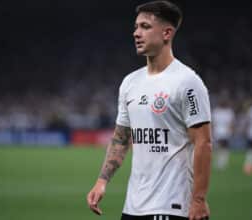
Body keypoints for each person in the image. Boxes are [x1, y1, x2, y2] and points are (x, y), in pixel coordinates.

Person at [86, 1, 212, 220]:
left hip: (172, 206)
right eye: (136, 27)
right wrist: (102, 181)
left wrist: (198, 200)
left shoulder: (188, 82)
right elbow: (121, 138)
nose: (136, 33)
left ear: (167, 33)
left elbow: (203, 142)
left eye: (145, 27)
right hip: (133, 207)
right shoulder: (130, 83)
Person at [212, 98, 235, 170]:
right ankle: (221, 163)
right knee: (223, 149)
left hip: (220, 132)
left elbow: (213, 123)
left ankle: (221, 163)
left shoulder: (218, 111)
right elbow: (231, 123)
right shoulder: (227, 111)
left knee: (221, 148)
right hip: (222, 132)